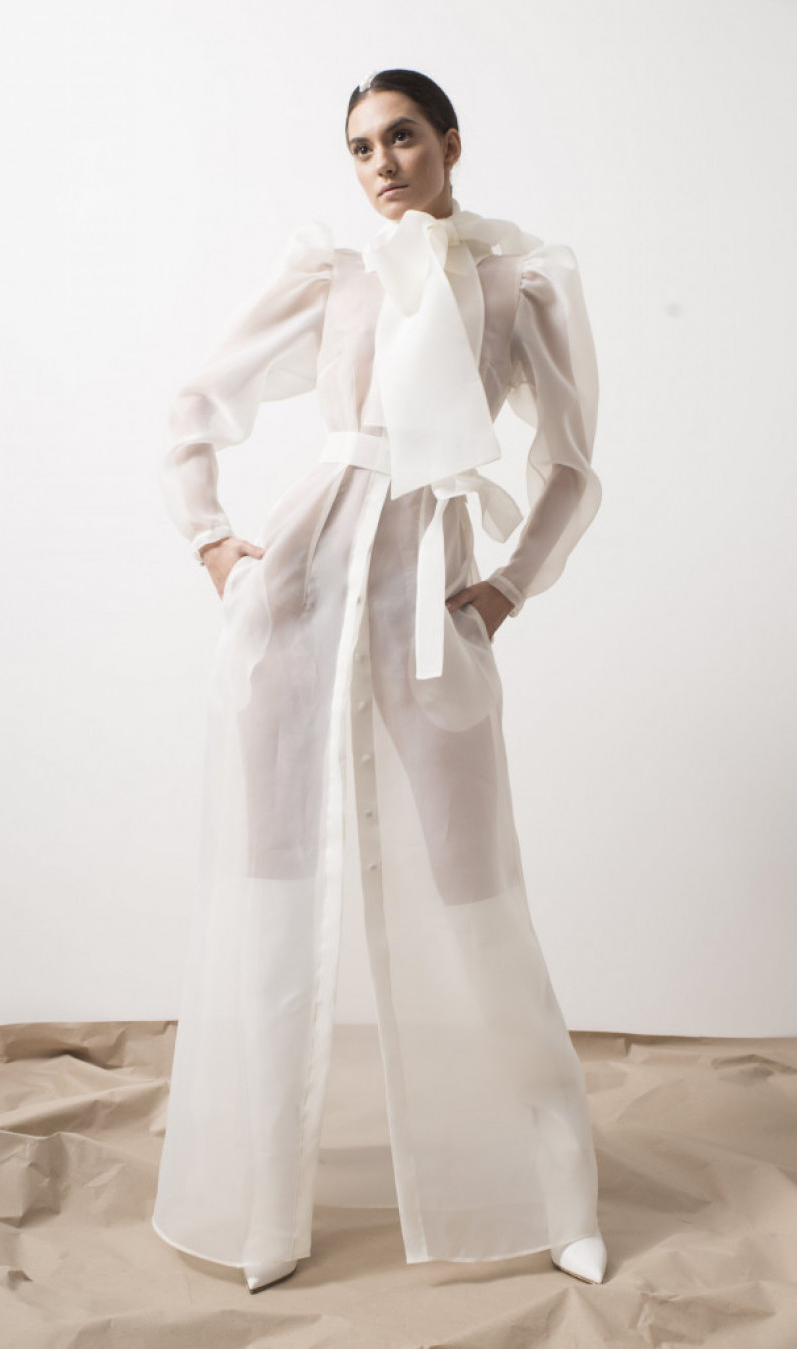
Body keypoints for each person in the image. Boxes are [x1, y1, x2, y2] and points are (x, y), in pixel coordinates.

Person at [152, 67, 607, 1293]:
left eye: (401, 137)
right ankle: (267, 1210)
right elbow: (199, 400)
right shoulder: (334, 278)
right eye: (360, 147)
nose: (381, 163)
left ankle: (560, 1191)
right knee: (274, 889)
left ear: (449, 142)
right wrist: (215, 543)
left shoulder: (518, 284)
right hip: (298, 595)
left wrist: (507, 589)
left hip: (428, 611)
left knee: (476, 883)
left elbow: (571, 464)